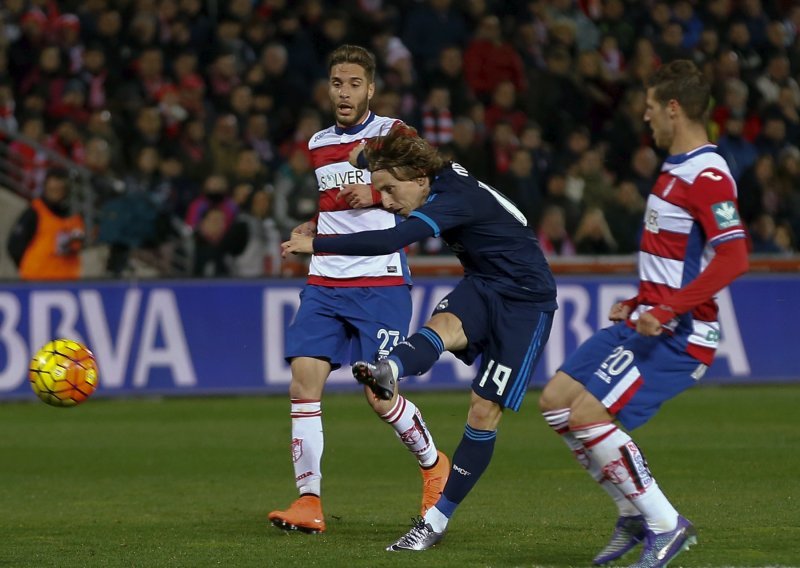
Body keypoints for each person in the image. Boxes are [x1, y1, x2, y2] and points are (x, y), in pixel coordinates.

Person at [282, 122, 557, 551]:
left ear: (420, 180)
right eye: (381, 191)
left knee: (483, 412)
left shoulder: (450, 201)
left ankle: (437, 519)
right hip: (484, 283)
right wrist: (365, 161)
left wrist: (317, 244)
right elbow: (385, 158)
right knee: (439, 329)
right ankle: (387, 368)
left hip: (525, 302)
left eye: (391, 192)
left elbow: (391, 240)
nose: (386, 201)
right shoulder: (431, 173)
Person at [538, 60, 749, 567]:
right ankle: (632, 512)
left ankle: (664, 522)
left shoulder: (708, 174)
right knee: (556, 400)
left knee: (588, 414)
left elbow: (734, 255)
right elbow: (675, 260)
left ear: (674, 109)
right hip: (646, 320)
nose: (645, 117)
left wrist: (669, 308)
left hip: (681, 333)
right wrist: (638, 302)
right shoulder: (675, 169)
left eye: (651, 108)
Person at [268, 45, 449, 535]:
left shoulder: (393, 134)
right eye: (336, 83)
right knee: (303, 384)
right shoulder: (318, 143)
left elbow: (426, 183)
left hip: (379, 282)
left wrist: (375, 193)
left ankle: (434, 465)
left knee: (379, 394)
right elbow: (334, 205)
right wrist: (312, 227)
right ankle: (309, 501)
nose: (343, 92)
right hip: (326, 280)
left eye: (353, 84)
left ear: (370, 89)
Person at [7, 168, 85, 281]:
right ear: (45, 187)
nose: (56, 193)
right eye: (52, 189)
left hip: (67, 280)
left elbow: (80, 245)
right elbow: (14, 246)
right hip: (37, 279)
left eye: (60, 189)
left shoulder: (74, 217)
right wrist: (30, 267)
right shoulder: (35, 212)